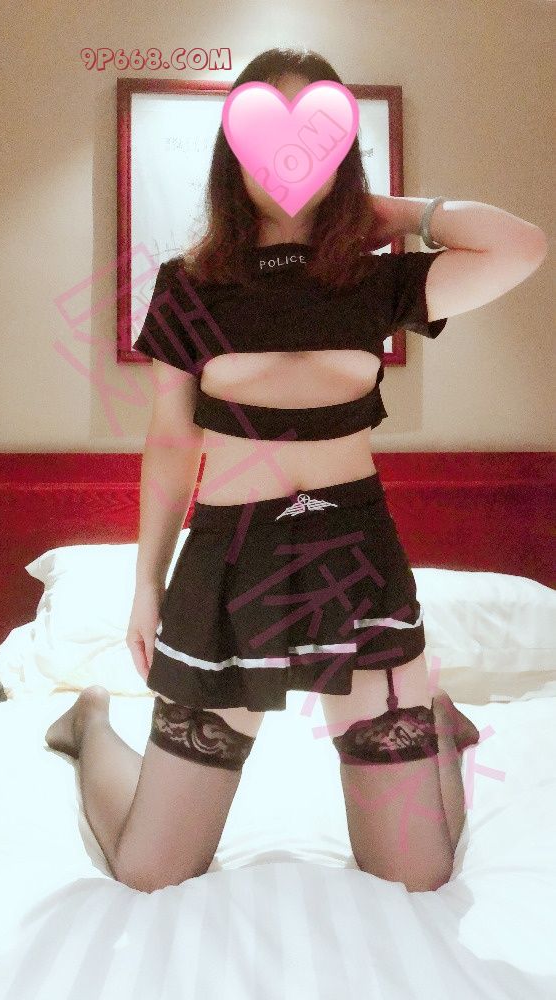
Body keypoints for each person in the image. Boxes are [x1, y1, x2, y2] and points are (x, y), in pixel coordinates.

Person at [45, 47, 547, 894]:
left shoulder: (373, 281)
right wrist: (146, 586)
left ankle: (438, 727)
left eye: (315, 136)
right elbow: (170, 444)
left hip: (355, 559)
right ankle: (89, 721)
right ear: (232, 151)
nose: (288, 157)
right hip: (226, 562)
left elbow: (520, 246)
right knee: (150, 869)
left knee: (414, 873)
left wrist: (385, 212)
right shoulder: (190, 284)